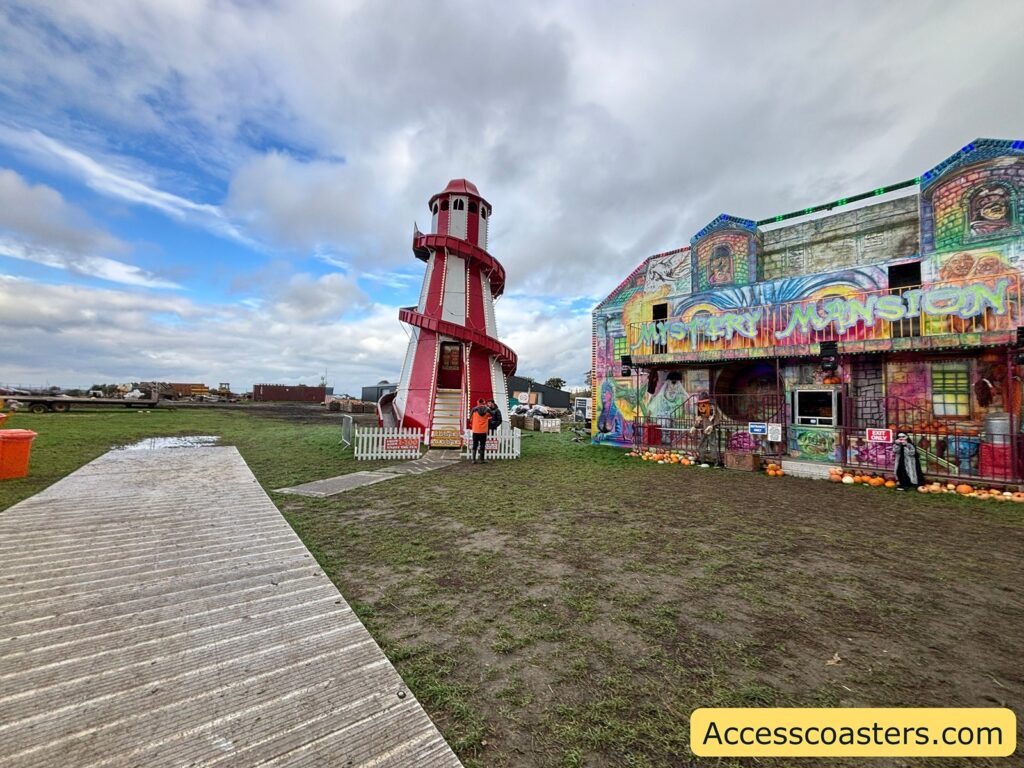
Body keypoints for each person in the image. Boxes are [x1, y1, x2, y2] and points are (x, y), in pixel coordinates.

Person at [469, 399, 491, 463]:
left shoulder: (474, 409)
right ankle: (482, 460)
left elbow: (470, 420)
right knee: (482, 445)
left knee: (475, 445)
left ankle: (473, 460)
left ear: (478, 402)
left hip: (476, 430)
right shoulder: (487, 409)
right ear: (483, 402)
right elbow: (491, 416)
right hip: (483, 431)